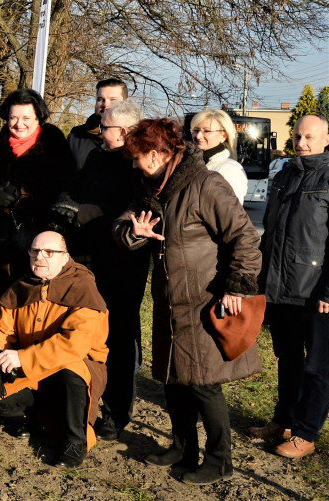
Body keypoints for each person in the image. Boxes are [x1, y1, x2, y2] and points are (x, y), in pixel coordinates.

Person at [113, 118, 262, 485]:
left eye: (137, 157)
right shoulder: (150, 188)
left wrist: (237, 287)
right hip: (168, 300)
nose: (134, 164)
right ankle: (183, 447)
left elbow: (245, 238)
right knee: (173, 377)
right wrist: (134, 231)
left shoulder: (207, 185)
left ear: (157, 154)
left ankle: (220, 460)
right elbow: (121, 227)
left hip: (203, 301)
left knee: (203, 383)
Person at [50, 100, 149, 441]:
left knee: (117, 338)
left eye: (104, 126)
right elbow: (75, 185)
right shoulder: (97, 156)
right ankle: (81, 402)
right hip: (87, 259)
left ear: (124, 132)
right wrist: (64, 202)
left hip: (122, 265)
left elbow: (128, 211)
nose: (99, 130)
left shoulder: (137, 165)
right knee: (81, 331)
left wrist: (82, 212)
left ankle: (116, 412)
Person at [0, 231, 108, 468]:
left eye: (49, 252)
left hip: (73, 370)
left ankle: (75, 443)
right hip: (32, 370)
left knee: (71, 369)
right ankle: (32, 418)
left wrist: (21, 357)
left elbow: (73, 345)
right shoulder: (23, 285)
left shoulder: (83, 288)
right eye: (35, 251)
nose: (39, 257)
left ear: (65, 257)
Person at [252, 114, 329, 459]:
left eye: (310, 137)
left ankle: (306, 433)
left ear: (326, 139)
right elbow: (271, 233)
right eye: (298, 136)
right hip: (280, 287)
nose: (302, 143)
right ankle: (283, 420)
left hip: (316, 292)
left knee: (317, 367)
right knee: (287, 359)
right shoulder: (284, 175)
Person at [0, 88, 75, 322]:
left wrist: (27, 196)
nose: (19, 124)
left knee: (32, 298)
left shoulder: (54, 144)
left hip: (37, 235)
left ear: (38, 117)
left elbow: (66, 185)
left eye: (26, 118)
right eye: (13, 117)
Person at [68, 79, 127, 170]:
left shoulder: (136, 138)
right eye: (100, 100)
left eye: (113, 100)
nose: (105, 105)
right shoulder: (76, 135)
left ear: (126, 103)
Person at [190, 109, 247, 204]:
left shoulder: (231, 170)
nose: (198, 136)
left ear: (224, 136)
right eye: (196, 130)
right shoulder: (188, 164)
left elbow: (231, 211)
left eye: (206, 131)